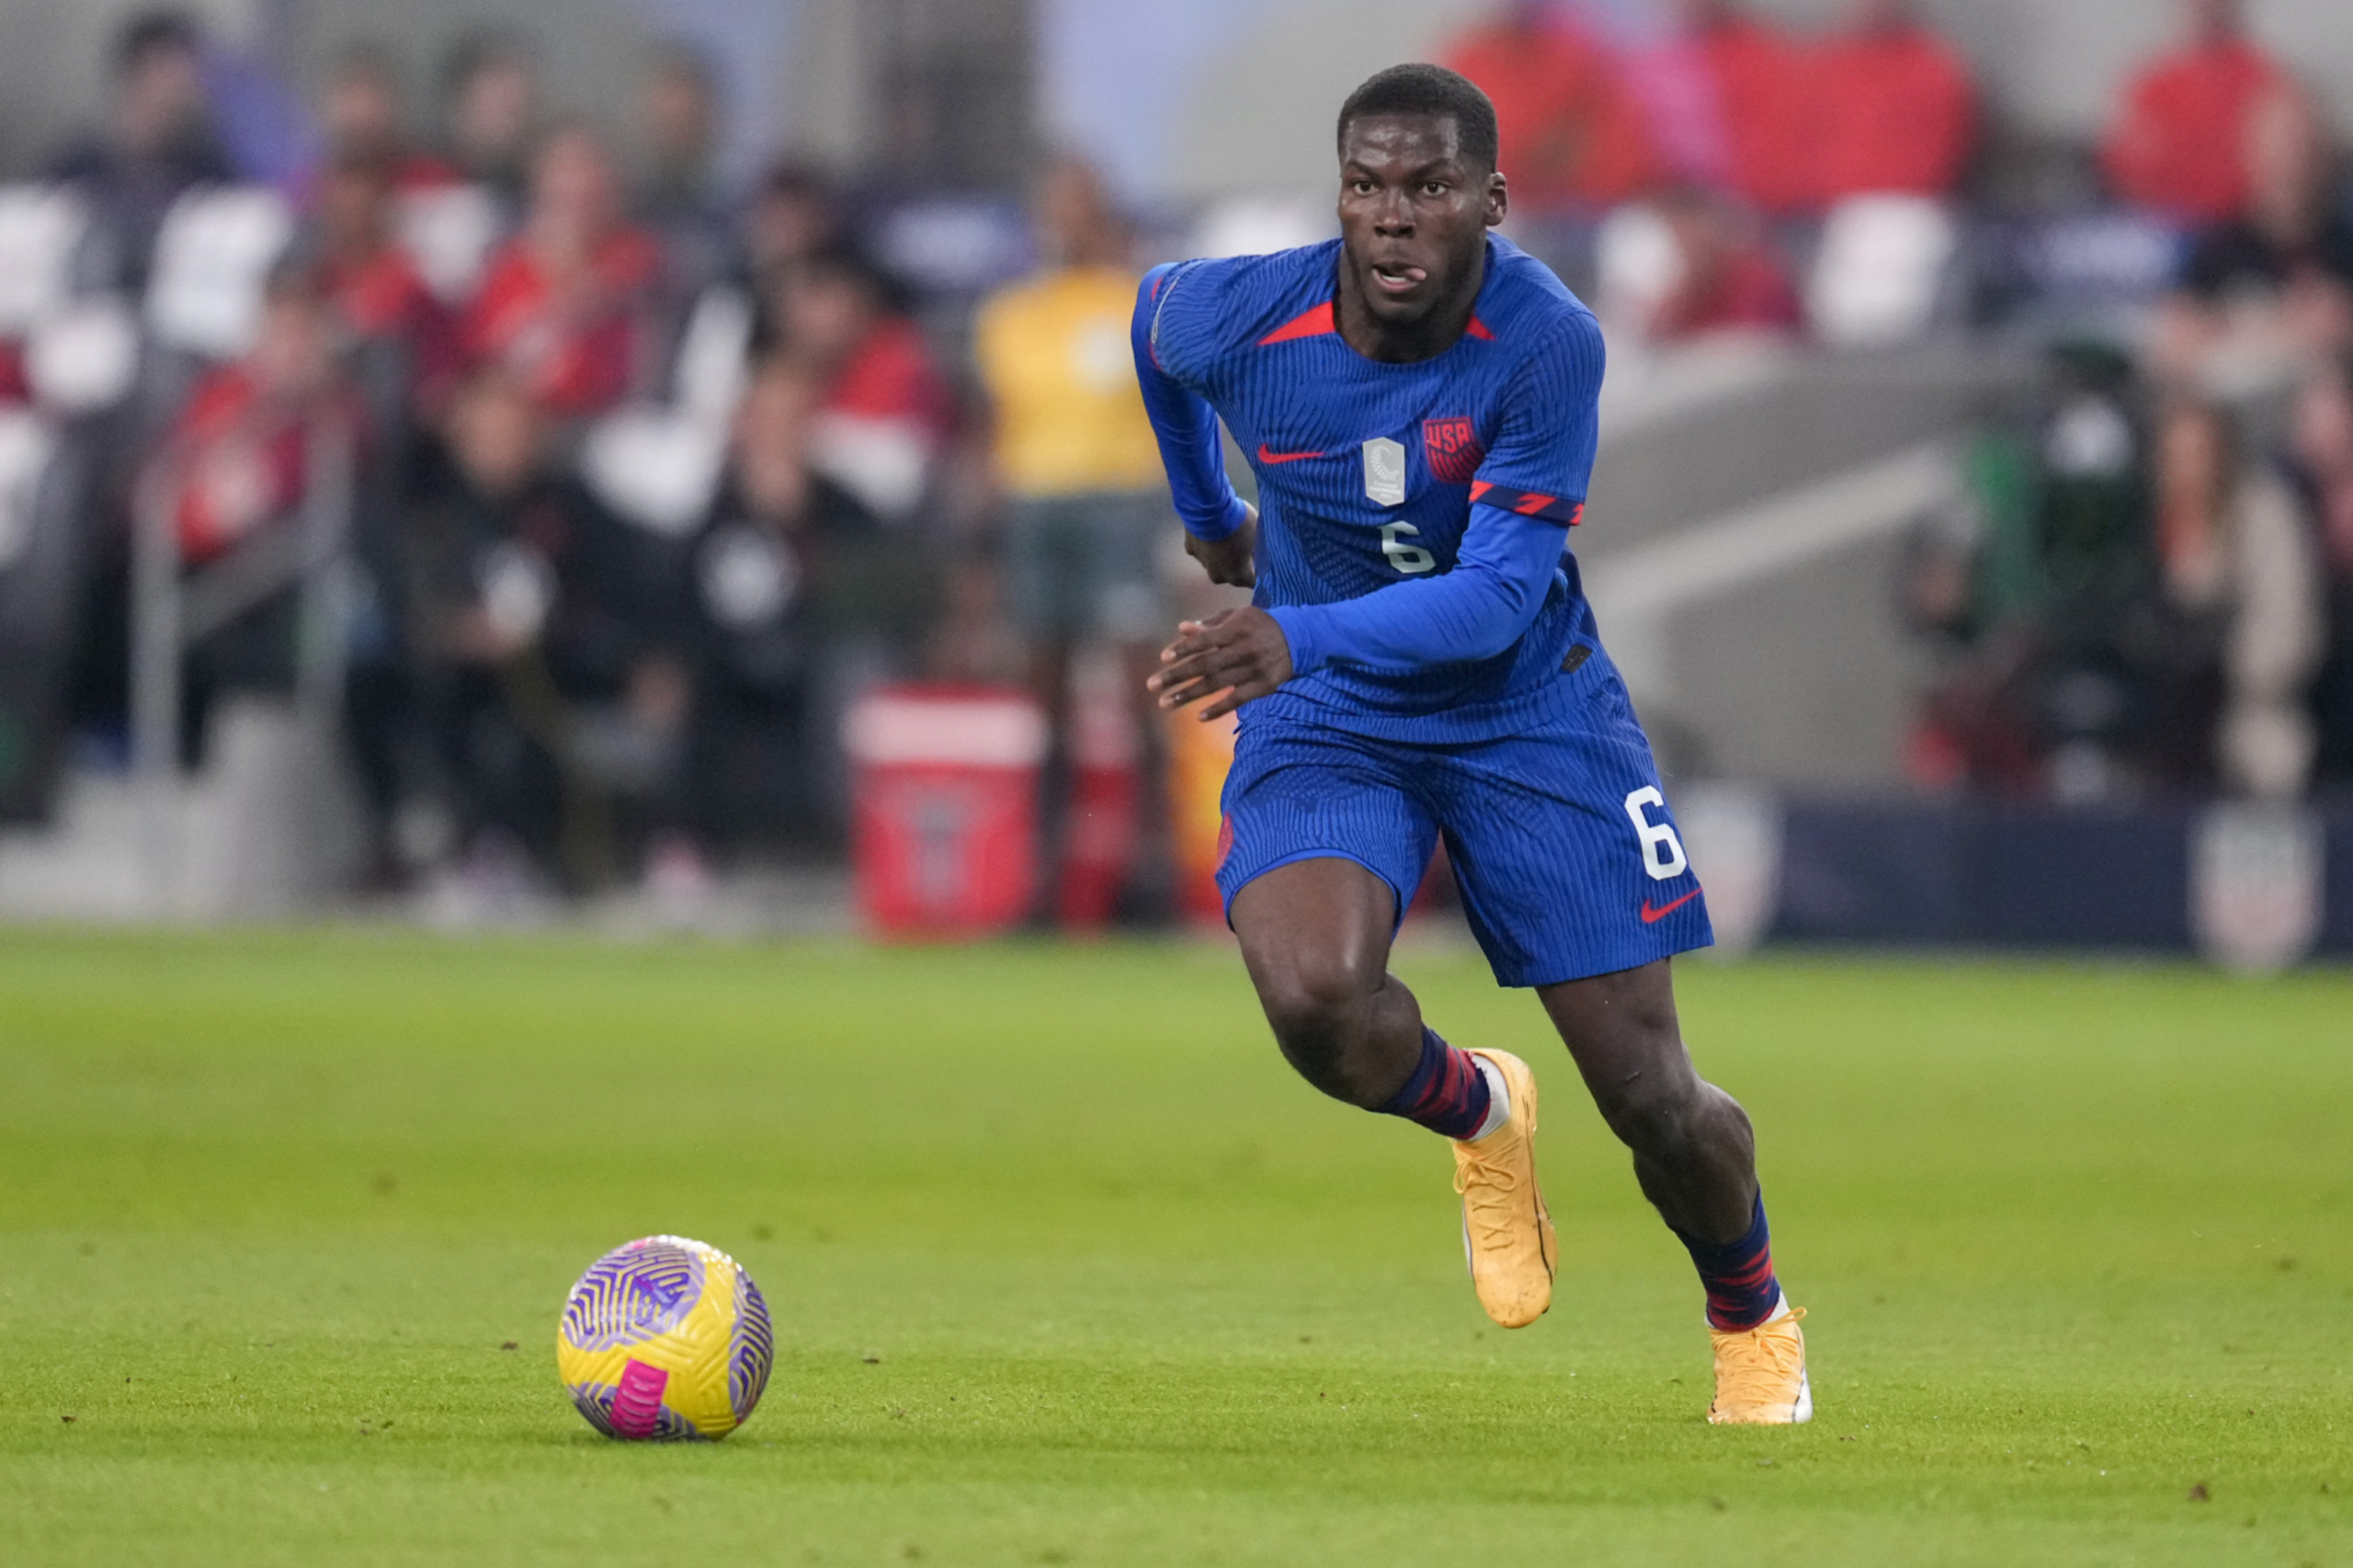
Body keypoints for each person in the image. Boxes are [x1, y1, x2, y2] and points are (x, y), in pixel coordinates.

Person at [1131, 63, 1806, 1424]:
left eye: (1428, 188)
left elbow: (1498, 593)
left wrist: (1295, 633)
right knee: (1316, 1003)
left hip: (1525, 706)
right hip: (1334, 711)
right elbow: (1153, 334)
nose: (1392, 218)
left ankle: (1752, 1312)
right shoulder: (1244, 311)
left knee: (1653, 1102)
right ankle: (1480, 1112)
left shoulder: (1546, 342)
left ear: (1491, 202)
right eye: (1367, 187)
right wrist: (1212, 516)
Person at [976, 158, 1178, 922]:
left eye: (1079, 208)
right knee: (1047, 697)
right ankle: (1045, 879)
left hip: (1120, 503)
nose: (1064, 224)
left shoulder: (1138, 302)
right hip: (1038, 506)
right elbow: (1001, 424)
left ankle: (1149, 873)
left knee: (1139, 690)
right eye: (1053, 209)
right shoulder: (1011, 315)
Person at [460, 125, 665, 422]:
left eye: (590, 168)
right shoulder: (503, 270)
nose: (579, 184)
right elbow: (490, 361)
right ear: (539, 181)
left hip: (614, 420)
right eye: (566, 169)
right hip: (528, 425)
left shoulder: (637, 254)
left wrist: (583, 285)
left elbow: (626, 288)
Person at [45, 10, 231, 294]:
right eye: (173, 68)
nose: (188, 83)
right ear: (139, 70)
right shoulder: (77, 166)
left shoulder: (207, 171)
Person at [1439, 1, 1659, 212]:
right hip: (1504, 202)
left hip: (1590, 202)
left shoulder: (1578, 57)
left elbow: (1612, 143)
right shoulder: (1472, 58)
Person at [2103, 0, 2286, 226]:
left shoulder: (2264, 78)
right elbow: (2127, 164)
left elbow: (2275, 174)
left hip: (2242, 226)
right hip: (2162, 224)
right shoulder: (2153, 83)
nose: (2205, 7)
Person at [1804, 0, 1975, 206]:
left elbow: (1928, 169)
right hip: (1810, 209)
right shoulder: (1822, 65)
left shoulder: (1933, 72)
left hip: (1895, 208)